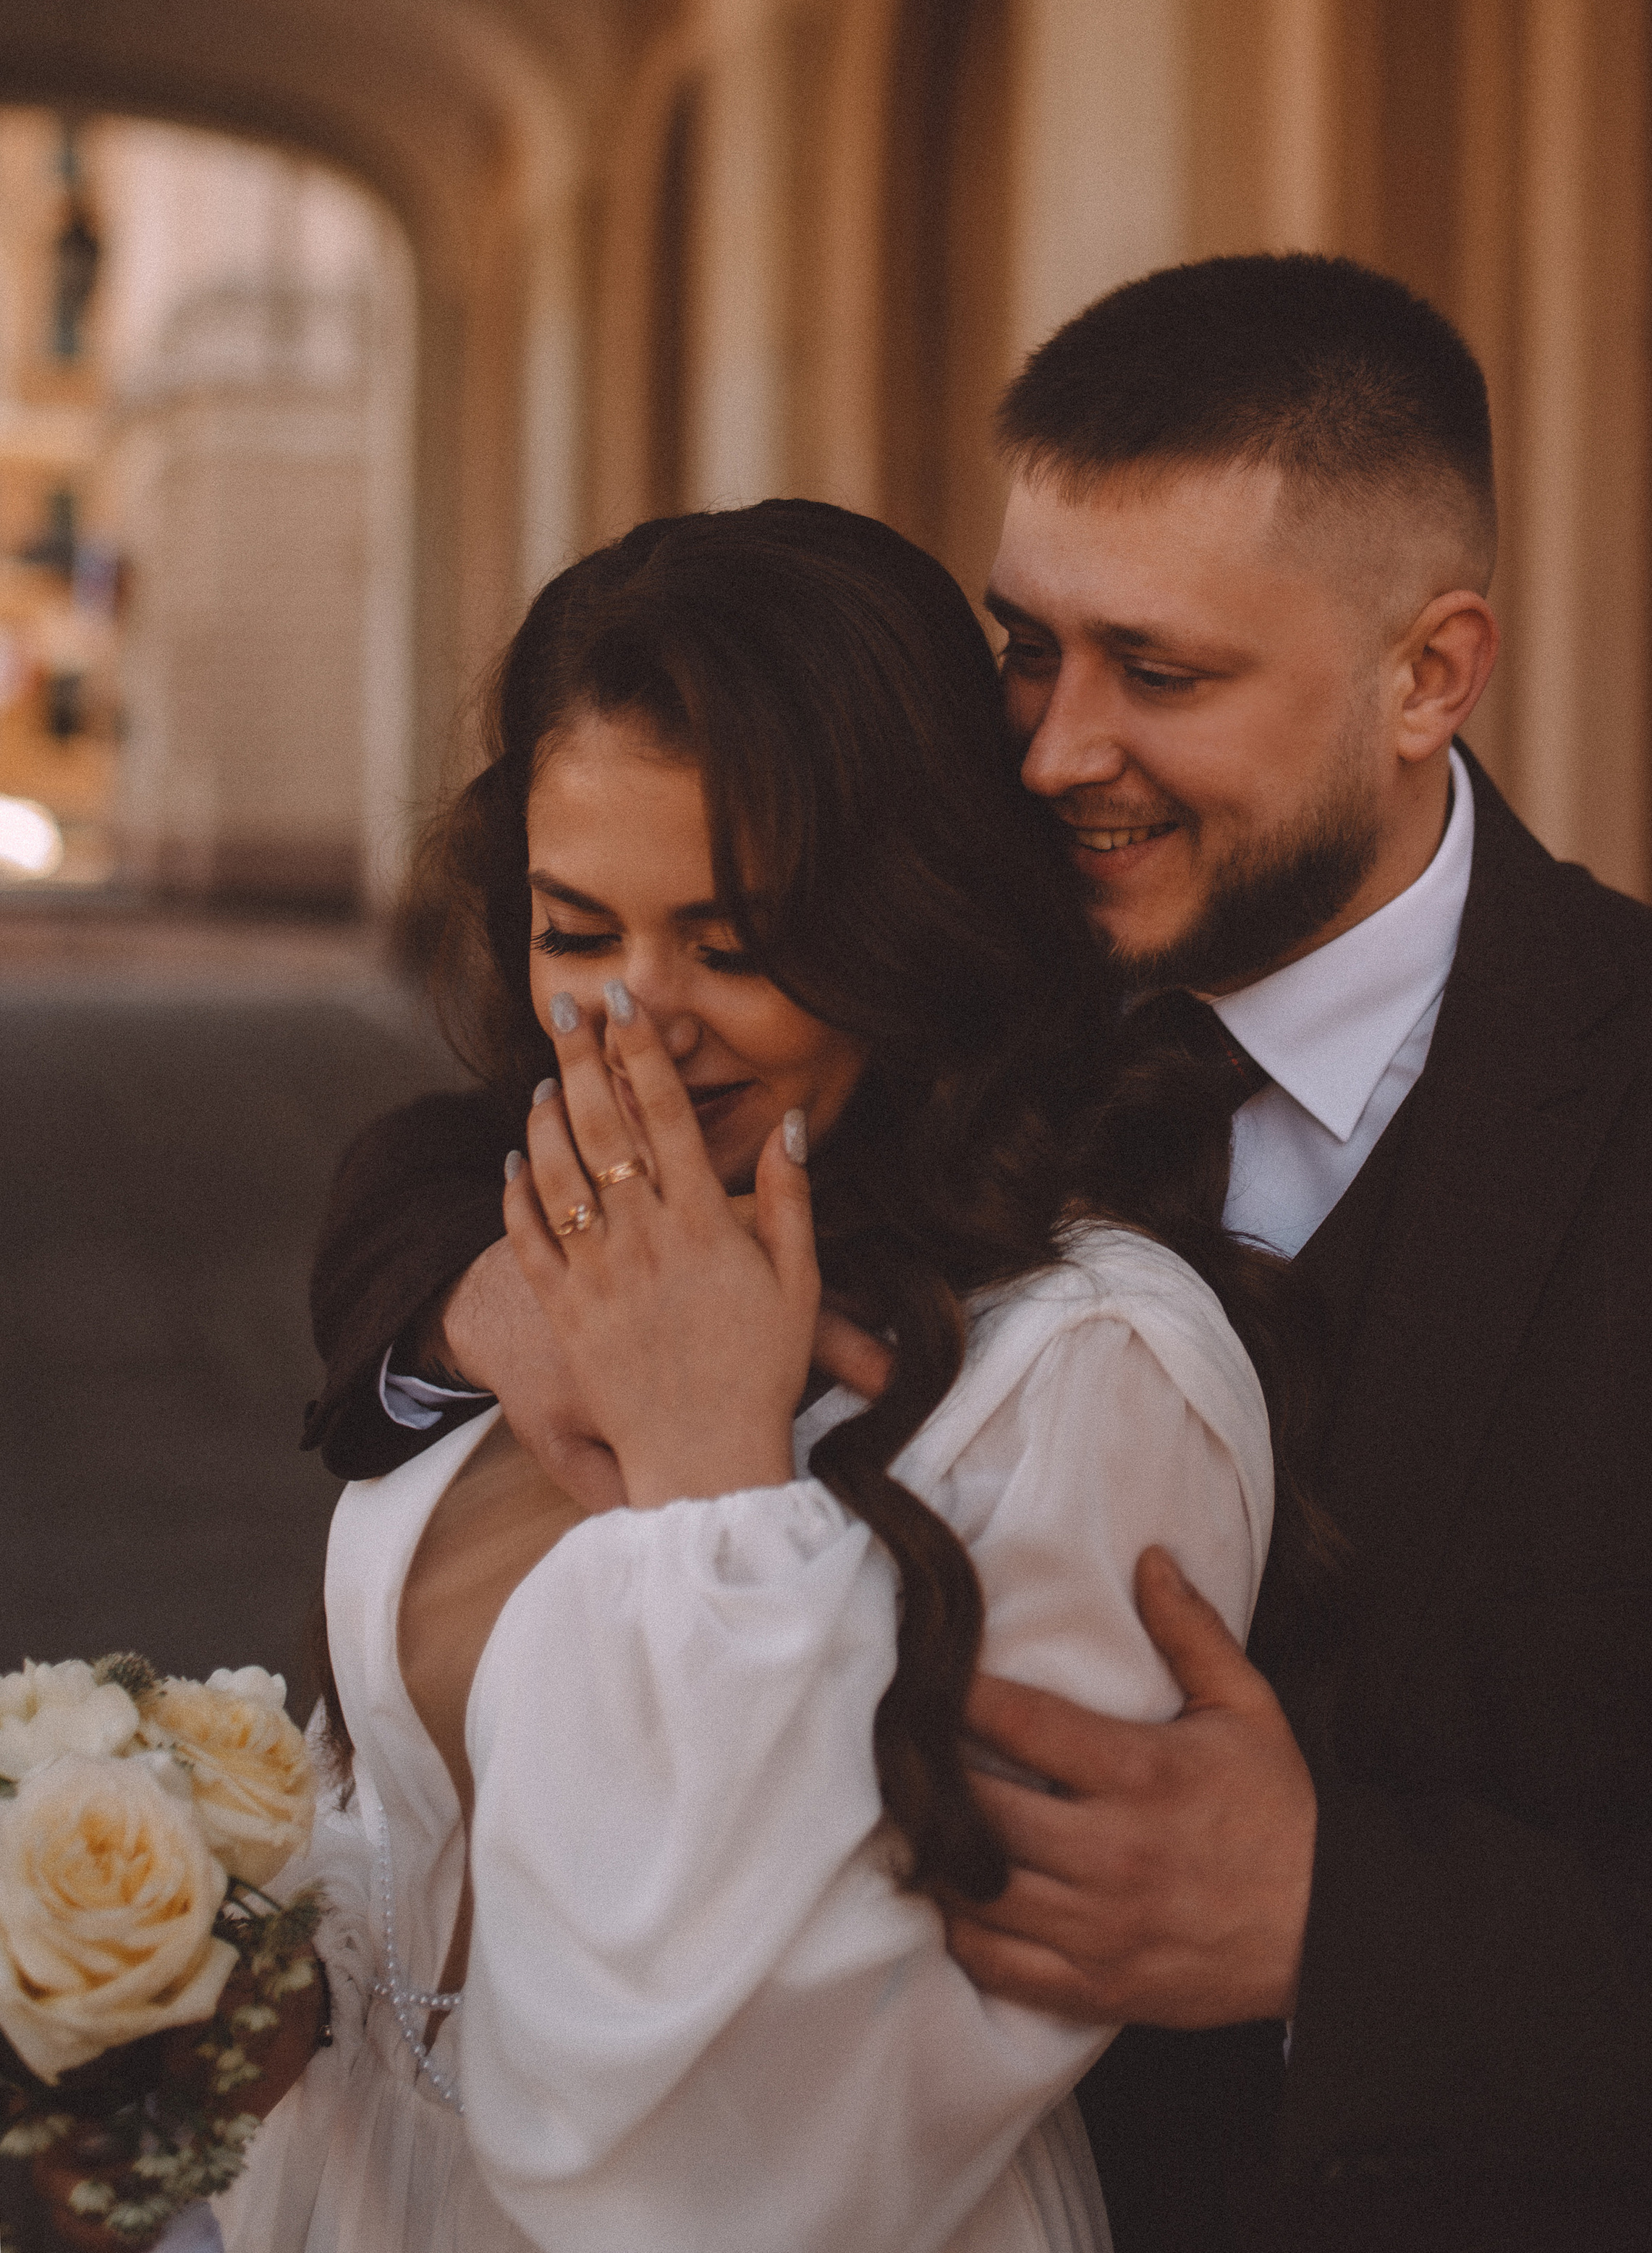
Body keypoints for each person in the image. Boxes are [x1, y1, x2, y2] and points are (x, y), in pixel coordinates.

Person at [308, 256, 1652, 2249]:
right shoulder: (931, 936)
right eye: (1027, 649)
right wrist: (488, 1299)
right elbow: (469, 1138)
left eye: (1161, 674)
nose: (1049, 753)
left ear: (1428, 675)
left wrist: (1341, 1929)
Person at [233, 499, 1295, 2253]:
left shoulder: (1092, 1372)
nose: (634, 1019)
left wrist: (711, 1487)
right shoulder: (551, 1232)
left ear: (911, 928)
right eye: (578, 929)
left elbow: (768, 2151)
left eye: (735, 946)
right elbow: (438, 1822)